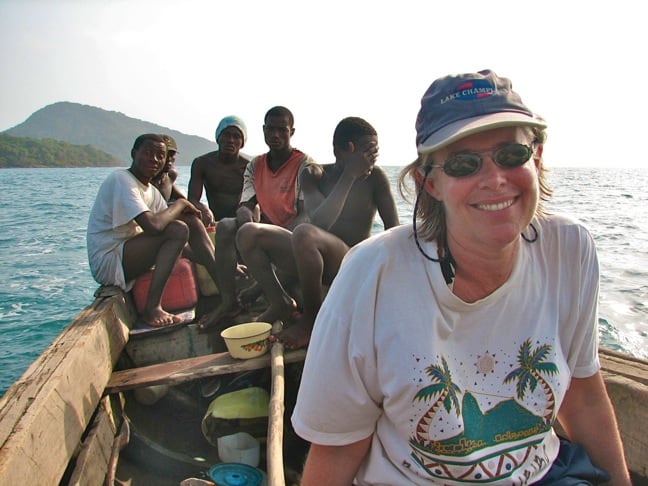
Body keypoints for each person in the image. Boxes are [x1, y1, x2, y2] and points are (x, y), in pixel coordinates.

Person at [291, 70, 631, 485]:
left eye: (511, 154)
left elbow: (582, 397)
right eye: (464, 163)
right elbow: (336, 452)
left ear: (536, 157)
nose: (494, 179)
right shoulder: (372, 276)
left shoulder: (569, 249)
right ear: (428, 182)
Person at [237, 116, 400, 348]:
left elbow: (393, 232)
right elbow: (321, 223)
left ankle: (311, 320)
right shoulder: (314, 174)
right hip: (310, 254)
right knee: (248, 233)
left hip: (350, 261)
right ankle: (280, 302)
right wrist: (349, 176)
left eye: (374, 154)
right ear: (343, 150)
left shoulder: (376, 178)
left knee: (304, 233)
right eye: (366, 153)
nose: (370, 161)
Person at [87, 133, 226, 328]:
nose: (154, 159)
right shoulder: (122, 179)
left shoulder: (151, 192)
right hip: (109, 261)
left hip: (130, 254)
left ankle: (225, 291)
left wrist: (224, 263)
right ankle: (152, 308)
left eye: (160, 155)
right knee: (177, 227)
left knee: (189, 222)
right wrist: (181, 203)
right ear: (134, 153)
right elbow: (153, 226)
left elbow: (179, 243)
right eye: (148, 153)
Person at [197, 106, 316, 330]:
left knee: (254, 234)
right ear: (263, 130)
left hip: (299, 237)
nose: (275, 135)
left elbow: (306, 215)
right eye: (270, 129)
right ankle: (229, 302)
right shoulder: (255, 165)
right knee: (226, 225)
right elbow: (245, 205)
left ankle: (276, 300)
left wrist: (258, 236)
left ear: (292, 132)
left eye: (282, 129)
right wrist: (247, 229)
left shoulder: (304, 164)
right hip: (267, 234)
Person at [187, 116, 250, 221]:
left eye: (236, 136)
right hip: (211, 219)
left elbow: (256, 201)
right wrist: (202, 208)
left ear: (242, 142)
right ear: (218, 138)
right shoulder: (202, 163)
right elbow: (192, 199)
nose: (230, 140)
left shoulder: (248, 168)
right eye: (226, 135)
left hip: (240, 220)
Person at [154, 134, 213, 225]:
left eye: (172, 155)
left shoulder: (170, 175)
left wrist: (202, 209)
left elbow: (182, 199)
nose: (168, 159)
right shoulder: (147, 178)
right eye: (164, 154)